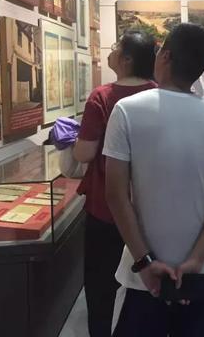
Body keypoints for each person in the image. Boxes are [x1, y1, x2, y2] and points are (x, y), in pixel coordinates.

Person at [104, 23, 204, 337]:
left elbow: (116, 193)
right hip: (203, 272)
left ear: (164, 56)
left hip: (143, 275)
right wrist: (196, 259)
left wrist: (144, 261)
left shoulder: (127, 111)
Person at [73, 31, 157, 337]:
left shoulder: (102, 96)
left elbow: (84, 153)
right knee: (146, 284)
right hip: (147, 207)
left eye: (115, 48)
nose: (110, 52)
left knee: (100, 286)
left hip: (105, 207)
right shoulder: (159, 93)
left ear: (127, 59)